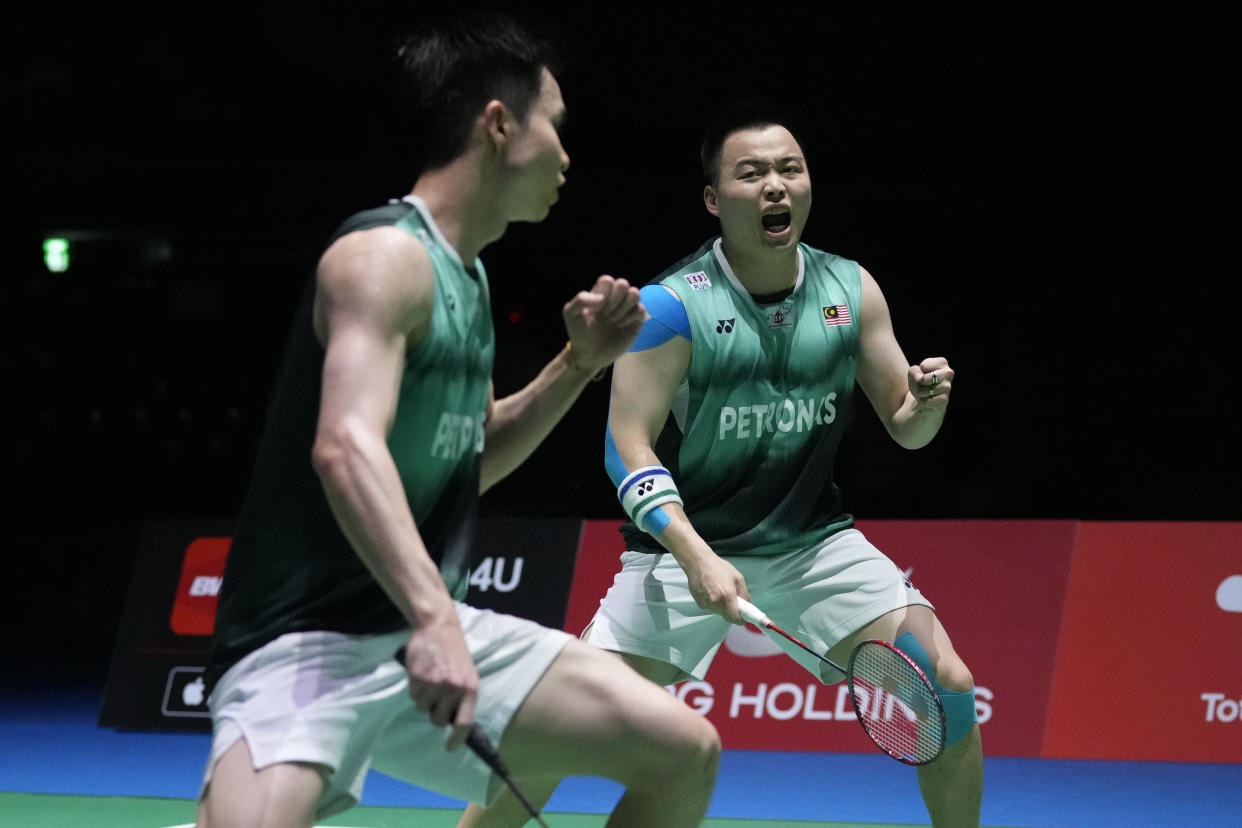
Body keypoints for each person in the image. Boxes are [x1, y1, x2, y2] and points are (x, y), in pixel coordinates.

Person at [196, 13, 720, 828]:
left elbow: (470, 460)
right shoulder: (381, 258)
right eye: (555, 125)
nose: (567, 155)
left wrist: (577, 364)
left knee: (682, 751)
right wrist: (436, 616)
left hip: (423, 629)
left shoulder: (468, 281)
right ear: (499, 122)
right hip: (306, 642)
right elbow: (344, 446)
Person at [462, 100, 983, 828]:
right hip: (680, 554)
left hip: (812, 545)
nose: (775, 185)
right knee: (554, 736)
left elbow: (907, 430)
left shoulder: (851, 290)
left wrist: (925, 405)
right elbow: (627, 447)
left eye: (789, 170)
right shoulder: (672, 306)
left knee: (949, 690)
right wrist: (695, 555)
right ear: (713, 199)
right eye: (752, 173)